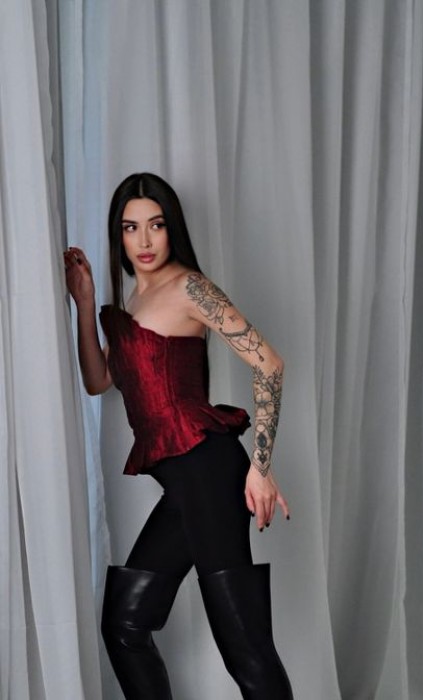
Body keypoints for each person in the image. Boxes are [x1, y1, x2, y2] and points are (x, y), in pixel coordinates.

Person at [64, 172, 293, 699]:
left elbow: (270, 364)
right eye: (131, 228)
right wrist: (85, 305)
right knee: (124, 623)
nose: (144, 241)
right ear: (118, 235)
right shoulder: (135, 301)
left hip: (210, 473)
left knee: (245, 648)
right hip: (185, 485)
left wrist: (260, 469)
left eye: (156, 225)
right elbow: (98, 380)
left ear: (173, 229)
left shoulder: (190, 288)